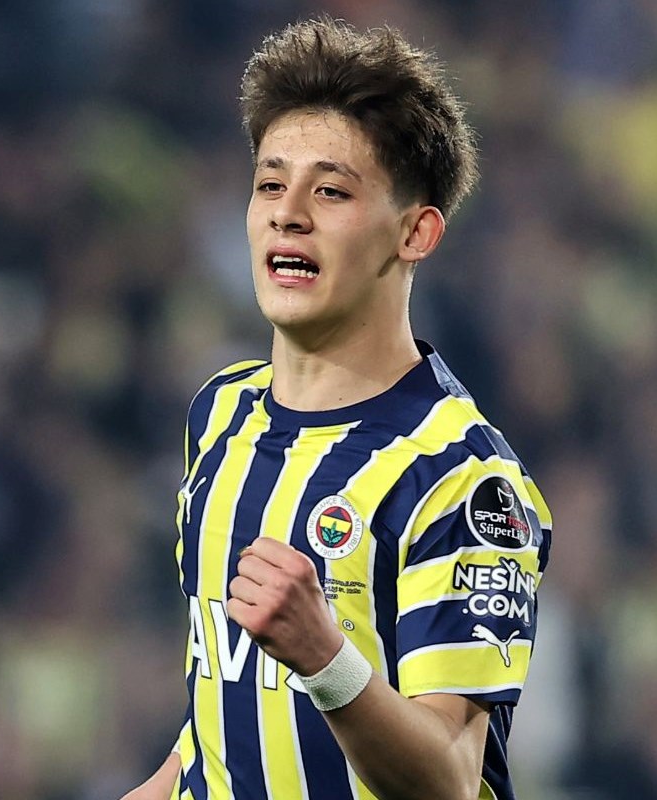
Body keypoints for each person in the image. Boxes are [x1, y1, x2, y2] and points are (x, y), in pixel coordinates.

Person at [124, 16, 553, 800]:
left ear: (415, 232)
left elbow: (451, 781)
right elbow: (218, 724)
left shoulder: (463, 479)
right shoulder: (221, 414)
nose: (287, 213)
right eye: (269, 184)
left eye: (329, 190)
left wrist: (325, 657)